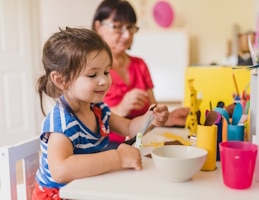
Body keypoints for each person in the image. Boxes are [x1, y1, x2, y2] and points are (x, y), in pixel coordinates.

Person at [32, 27, 169, 199]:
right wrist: (118, 158)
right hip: (59, 195)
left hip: (84, 187)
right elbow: (61, 170)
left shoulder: (98, 109)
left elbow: (129, 127)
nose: (104, 80)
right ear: (61, 80)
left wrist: (151, 118)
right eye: (92, 75)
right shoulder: (63, 122)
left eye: (106, 72)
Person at [91, 0, 190, 144]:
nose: (126, 35)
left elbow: (152, 110)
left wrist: (167, 117)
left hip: (144, 142)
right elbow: (86, 120)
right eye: (117, 27)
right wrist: (120, 109)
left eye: (130, 27)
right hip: (106, 147)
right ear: (98, 26)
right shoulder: (90, 69)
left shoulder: (139, 64)